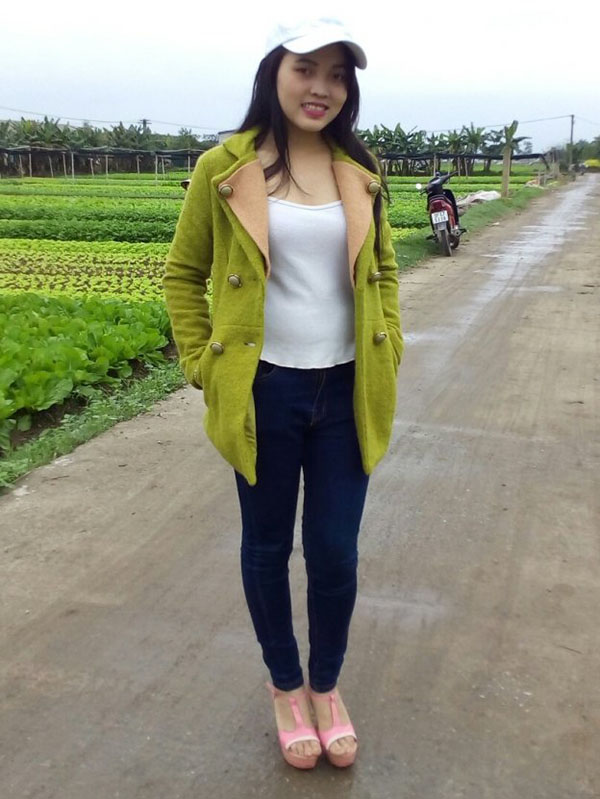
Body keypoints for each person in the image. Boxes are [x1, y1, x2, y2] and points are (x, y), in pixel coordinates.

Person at [162, 15, 403, 770]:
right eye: (306, 68)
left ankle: (326, 687)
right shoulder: (225, 168)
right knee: (267, 546)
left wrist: (391, 345)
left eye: (337, 74)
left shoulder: (360, 170)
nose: (321, 87)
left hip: (347, 390)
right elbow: (182, 275)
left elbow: (384, 270)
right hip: (264, 391)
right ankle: (286, 686)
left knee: (334, 552)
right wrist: (203, 364)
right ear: (275, 72)